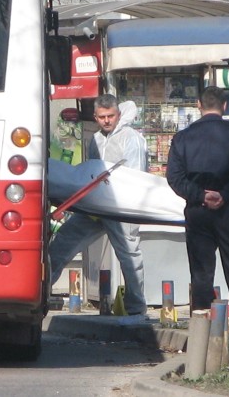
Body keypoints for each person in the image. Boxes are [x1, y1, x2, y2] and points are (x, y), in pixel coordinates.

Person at [166, 86, 229, 337]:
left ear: (199, 105)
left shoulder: (183, 138)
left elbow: (175, 177)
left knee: (201, 272)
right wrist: (226, 195)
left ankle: (203, 330)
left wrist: (200, 195)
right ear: (224, 106)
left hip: (198, 212)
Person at [49, 95, 148, 316]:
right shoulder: (95, 139)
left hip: (121, 208)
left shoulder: (130, 138)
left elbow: (137, 177)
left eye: (110, 116)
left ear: (118, 115)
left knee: (129, 256)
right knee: (62, 243)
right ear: (95, 117)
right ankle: (41, 292)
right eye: (102, 117)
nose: (106, 121)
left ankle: (136, 307)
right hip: (96, 206)